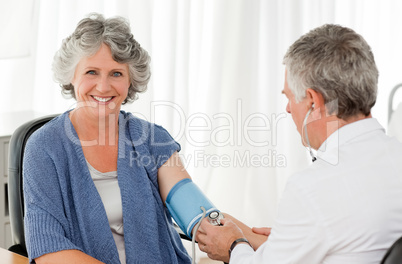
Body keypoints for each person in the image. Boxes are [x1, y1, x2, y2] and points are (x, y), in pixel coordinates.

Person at [195, 24, 402, 263]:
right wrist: (289, 240)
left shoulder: (312, 188)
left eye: (290, 97)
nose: (288, 108)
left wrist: (233, 246)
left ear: (313, 101)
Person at [23, 13, 194, 264]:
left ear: (130, 81)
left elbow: (194, 208)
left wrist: (250, 241)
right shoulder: (43, 147)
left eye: (116, 74)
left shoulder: (152, 138)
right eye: (92, 72)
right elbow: (49, 250)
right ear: (72, 76)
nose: (103, 87)